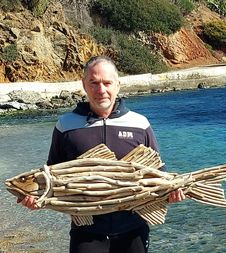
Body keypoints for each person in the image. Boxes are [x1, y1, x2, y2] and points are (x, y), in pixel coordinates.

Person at [20, 56, 185, 253]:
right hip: (86, 232)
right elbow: (52, 177)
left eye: (107, 83)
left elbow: (159, 173)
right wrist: (38, 199)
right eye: (94, 82)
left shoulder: (139, 123)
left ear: (118, 85)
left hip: (134, 229)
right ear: (84, 84)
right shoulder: (66, 125)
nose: (101, 90)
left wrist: (171, 193)